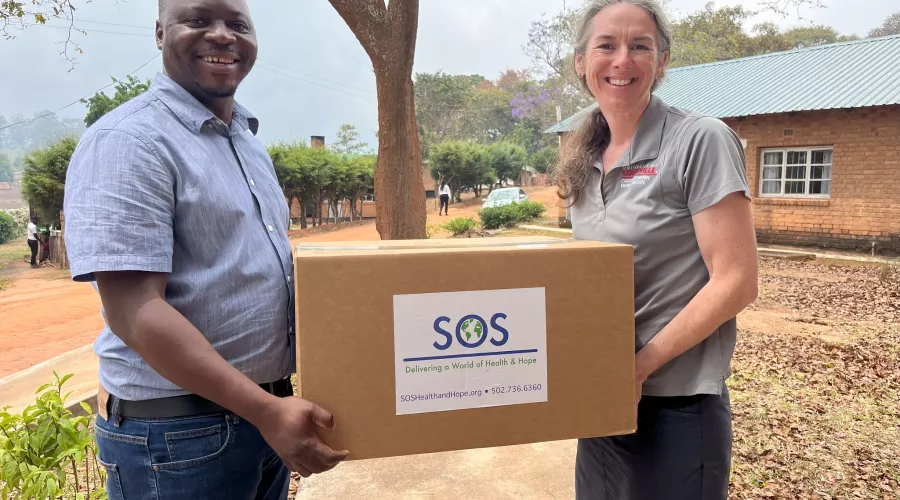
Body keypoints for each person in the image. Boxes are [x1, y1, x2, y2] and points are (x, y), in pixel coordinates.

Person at [63, 0, 348, 498]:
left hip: (261, 419)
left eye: (238, 24)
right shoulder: (128, 140)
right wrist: (265, 411)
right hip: (179, 440)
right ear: (159, 33)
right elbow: (134, 311)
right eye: (198, 20)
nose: (222, 36)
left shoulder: (246, 141)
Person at [555, 1, 759, 499]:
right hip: (602, 403)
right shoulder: (583, 159)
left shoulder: (698, 141)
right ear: (582, 62)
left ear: (661, 61)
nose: (622, 60)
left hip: (677, 408)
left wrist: (638, 366)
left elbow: (736, 281)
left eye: (640, 46)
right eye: (606, 45)